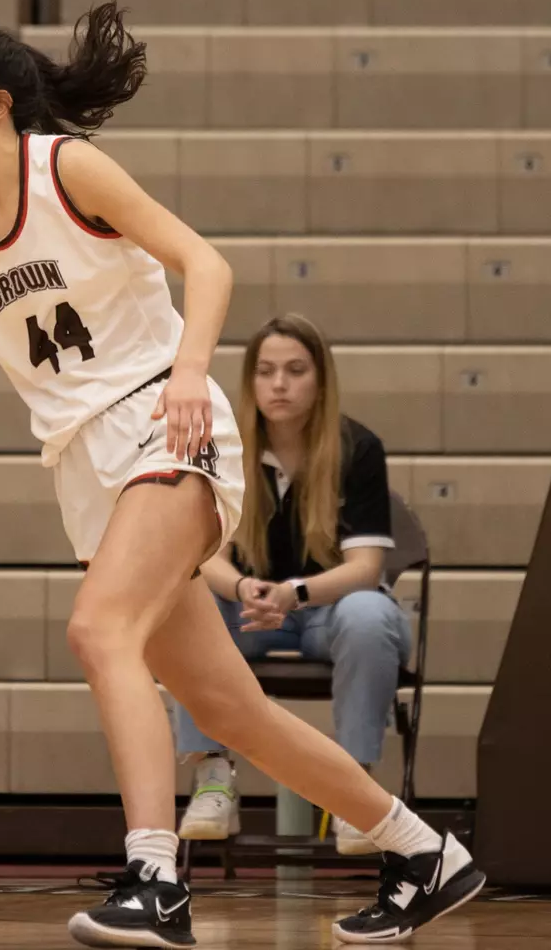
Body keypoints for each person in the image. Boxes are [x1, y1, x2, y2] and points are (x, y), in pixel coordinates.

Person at [0, 1, 484, 947]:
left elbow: (205, 266)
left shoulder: (67, 168)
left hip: (167, 420)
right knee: (228, 709)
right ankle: (423, 853)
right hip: (83, 461)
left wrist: (186, 374)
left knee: (97, 629)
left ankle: (155, 877)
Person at [172, 314, 414, 859]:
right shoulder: (222, 445)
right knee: (186, 600)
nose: (279, 384)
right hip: (250, 613)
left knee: (370, 615)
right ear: (250, 382)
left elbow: (366, 567)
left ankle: (357, 796)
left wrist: (295, 594)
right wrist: (241, 590)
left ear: (320, 381)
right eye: (266, 371)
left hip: (326, 614)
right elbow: (205, 556)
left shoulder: (358, 448)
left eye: (295, 370)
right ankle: (213, 778)